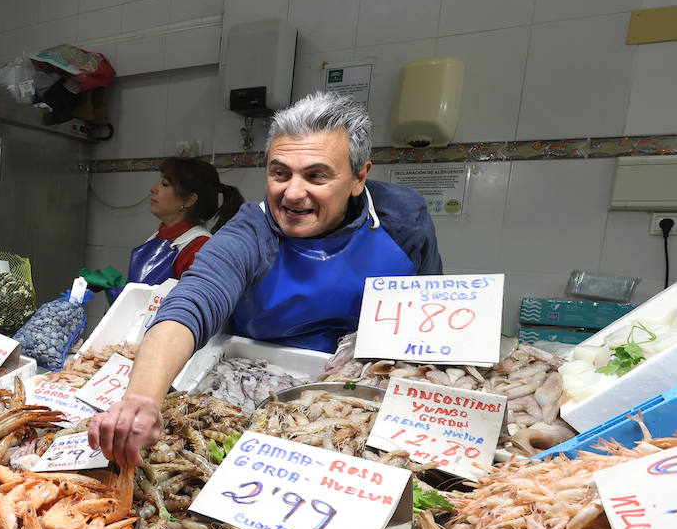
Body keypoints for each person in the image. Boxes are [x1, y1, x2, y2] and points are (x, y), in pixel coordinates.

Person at [90, 91, 442, 464]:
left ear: (359, 178)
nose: (292, 193)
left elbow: (433, 324)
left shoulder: (403, 220)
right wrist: (143, 399)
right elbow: (192, 300)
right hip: (257, 389)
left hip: (363, 398)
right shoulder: (251, 229)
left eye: (316, 176)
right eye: (279, 173)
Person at [131, 156, 243, 284]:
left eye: (165, 184)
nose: (153, 189)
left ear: (189, 200)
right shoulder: (156, 238)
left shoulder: (200, 249)